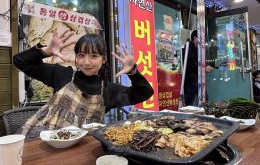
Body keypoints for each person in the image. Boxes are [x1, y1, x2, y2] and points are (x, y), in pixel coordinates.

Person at [13, 30, 154, 139]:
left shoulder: (108, 91)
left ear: (103, 59)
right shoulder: (62, 75)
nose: (86, 62)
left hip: (81, 148)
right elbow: (20, 61)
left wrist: (133, 72)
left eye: (93, 56)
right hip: (42, 140)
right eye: (81, 55)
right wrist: (47, 51)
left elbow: (145, 92)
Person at [182, 30, 213, 106]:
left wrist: (207, 66)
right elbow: (191, 63)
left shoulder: (198, 49)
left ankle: (202, 115)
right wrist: (204, 68)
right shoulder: (188, 48)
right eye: (201, 38)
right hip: (190, 80)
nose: (203, 41)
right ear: (195, 38)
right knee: (189, 102)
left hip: (196, 79)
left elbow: (201, 61)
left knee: (204, 98)